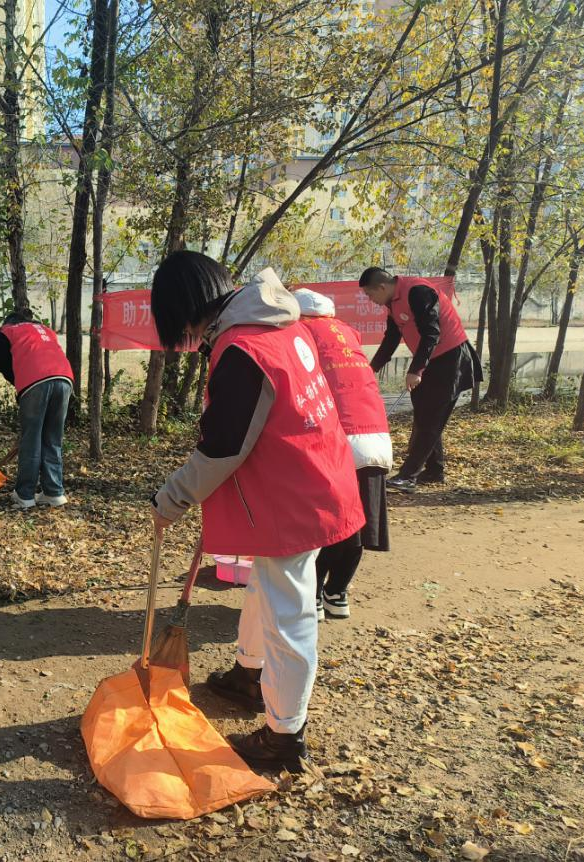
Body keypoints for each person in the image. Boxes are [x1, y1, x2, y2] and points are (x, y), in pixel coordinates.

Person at [148, 252, 364, 773]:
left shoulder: (243, 346)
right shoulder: (277, 324)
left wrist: (172, 498)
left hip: (293, 495)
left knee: (289, 611)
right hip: (309, 480)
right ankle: (249, 675)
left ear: (184, 307)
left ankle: (284, 735)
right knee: (267, 588)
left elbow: (224, 446)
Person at [293, 289, 392, 621]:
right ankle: (337, 593)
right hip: (375, 434)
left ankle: (315, 596)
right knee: (357, 524)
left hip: (335, 437)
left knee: (327, 523)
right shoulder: (347, 332)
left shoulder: (299, 332)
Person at [359, 267, 483, 492]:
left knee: (430, 418)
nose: (370, 300)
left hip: (451, 359)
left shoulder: (417, 291)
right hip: (431, 360)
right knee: (425, 414)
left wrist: (416, 369)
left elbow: (431, 333)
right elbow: (392, 338)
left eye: (370, 295)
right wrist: (371, 368)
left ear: (382, 287)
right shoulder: (393, 302)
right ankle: (435, 470)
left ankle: (408, 476)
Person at [0, 309, 73, 509]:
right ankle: (54, 492)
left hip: (34, 382)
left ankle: (25, 495)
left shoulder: (6, 331)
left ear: (8, 322)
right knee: (53, 438)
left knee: (31, 439)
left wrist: (17, 378)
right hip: (64, 379)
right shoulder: (45, 329)